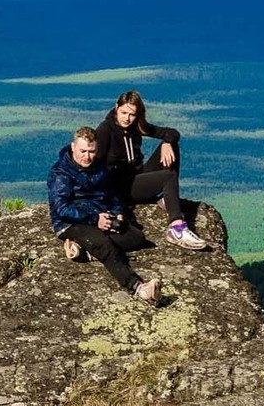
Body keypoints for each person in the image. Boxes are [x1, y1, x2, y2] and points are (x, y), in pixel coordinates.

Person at [47, 126, 160, 302]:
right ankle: (139, 288)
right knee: (104, 246)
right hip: (71, 223)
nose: (87, 156)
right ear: (73, 147)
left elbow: (111, 194)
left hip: (100, 217)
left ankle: (85, 251)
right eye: (83, 151)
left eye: (91, 151)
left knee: (136, 237)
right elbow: (62, 208)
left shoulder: (98, 166)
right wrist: (94, 219)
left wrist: (117, 213)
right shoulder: (61, 173)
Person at [94, 90, 209, 251]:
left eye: (132, 114)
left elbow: (172, 133)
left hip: (137, 176)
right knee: (168, 177)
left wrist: (167, 142)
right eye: (123, 112)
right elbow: (95, 166)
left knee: (171, 147)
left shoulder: (136, 127)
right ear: (116, 108)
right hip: (121, 187)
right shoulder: (105, 131)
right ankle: (176, 229)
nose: (127, 118)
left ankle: (165, 198)